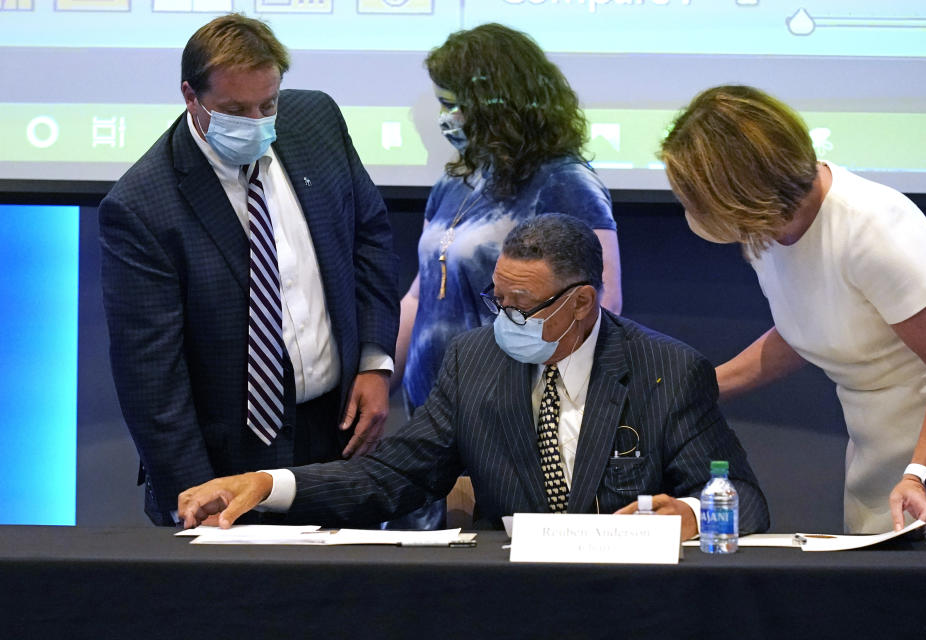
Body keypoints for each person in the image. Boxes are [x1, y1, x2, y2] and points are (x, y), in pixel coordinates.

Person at [178, 214, 770, 540]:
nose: (505, 322)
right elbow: (391, 476)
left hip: (631, 605)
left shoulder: (667, 371)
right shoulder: (474, 361)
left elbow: (743, 498)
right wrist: (270, 483)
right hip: (504, 603)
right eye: (498, 301)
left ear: (583, 303)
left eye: (524, 308)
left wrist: (693, 514)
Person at [99, 14, 400, 526]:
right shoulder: (142, 207)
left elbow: (368, 236)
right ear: (190, 96)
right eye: (236, 110)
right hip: (225, 460)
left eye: (268, 104)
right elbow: (151, 378)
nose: (258, 122)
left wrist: (374, 360)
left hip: (334, 435)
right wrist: (193, 496)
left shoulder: (316, 120)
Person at [659, 84, 926, 533]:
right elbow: (807, 329)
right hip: (875, 449)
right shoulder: (767, 229)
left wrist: (919, 474)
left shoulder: (871, 228)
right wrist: (698, 391)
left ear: (744, 190)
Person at [389, 24, 622, 529]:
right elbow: (421, 294)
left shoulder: (565, 182)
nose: (446, 118)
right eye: (441, 103)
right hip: (432, 415)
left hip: (510, 417)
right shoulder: (457, 181)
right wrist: (377, 373)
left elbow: (602, 308)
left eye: (456, 103)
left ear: (500, 101)